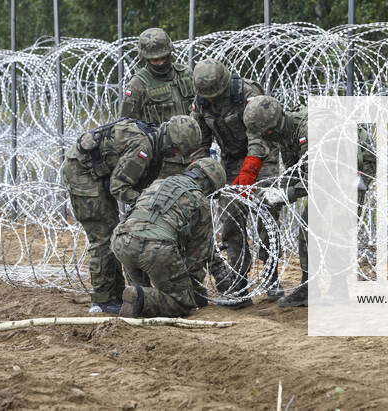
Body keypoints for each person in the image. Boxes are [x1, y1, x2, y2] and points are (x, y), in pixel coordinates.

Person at [234, 96, 375, 307]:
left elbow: (319, 179)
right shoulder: (286, 133)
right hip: (327, 173)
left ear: (270, 130)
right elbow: (297, 173)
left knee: (333, 225)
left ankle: (338, 287)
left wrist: (284, 195)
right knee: (308, 224)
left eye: (264, 135)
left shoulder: (311, 130)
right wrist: (273, 192)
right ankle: (309, 287)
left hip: (350, 173)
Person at [64, 114, 202, 314]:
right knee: (104, 235)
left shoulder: (155, 140)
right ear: (171, 143)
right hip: (82, 173)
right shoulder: (143, 146)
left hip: (100, 173)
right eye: (177, 150)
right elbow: (119, 187)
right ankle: (103, 299)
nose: (176, 155)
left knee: (114, 230)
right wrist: (146, 203)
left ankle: (119, 294)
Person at [190, 59, 280, 306]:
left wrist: (249, 174)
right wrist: (204, 169)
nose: (214, 99)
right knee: (230, 221)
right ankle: (238, 283)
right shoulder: (202, 101)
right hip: (230, 161)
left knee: (266, 217)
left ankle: (272, 276)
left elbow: (259, 137)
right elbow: (199, 142)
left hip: (261, 158)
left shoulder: (246, 93)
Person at [111, 157, 228, 318]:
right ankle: (141, 299)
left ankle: (137, 298)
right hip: (156, 247)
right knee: (182, 303)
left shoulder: (159, 183)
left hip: (122, 240)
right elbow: (197, 256)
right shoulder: (200, 201)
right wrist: (196, 292)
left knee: (140, 288)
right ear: (209, 184)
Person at [120, 28, 198, 178]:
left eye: (164, 57)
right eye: (155, 60)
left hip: (193, 156)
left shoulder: (186, 74)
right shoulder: (137, 85)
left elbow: (202, 111)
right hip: (162, 163)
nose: (161, 62)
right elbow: (126, 128)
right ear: (145, 58)